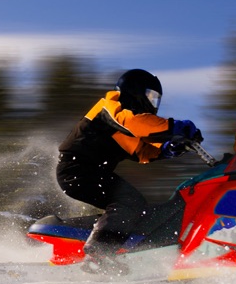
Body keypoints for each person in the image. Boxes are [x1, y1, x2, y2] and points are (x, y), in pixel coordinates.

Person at [56, 69, 202, 272]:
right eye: (151, 97)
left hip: (88, 171)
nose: (153, 104)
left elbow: (142, 150)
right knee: (128, 201)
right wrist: (175, 127)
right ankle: (98, 254)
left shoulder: (124, 124)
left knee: (136, 204)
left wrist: (170, 148)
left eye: (156, 99)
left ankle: (115, 247)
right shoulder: (111, 108)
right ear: (135, 91)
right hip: (76, 170)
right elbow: (136, 124)